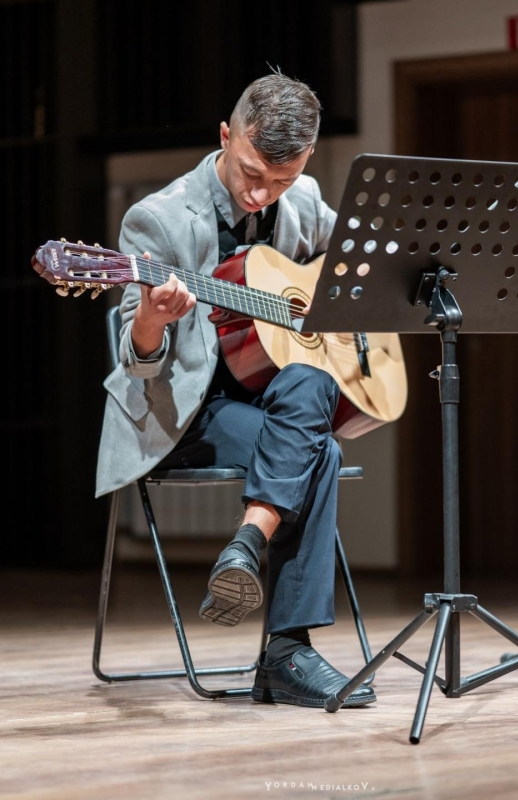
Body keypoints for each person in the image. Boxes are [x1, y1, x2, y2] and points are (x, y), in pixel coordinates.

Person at [95, 70, 375, 708]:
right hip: (181, 412)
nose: (260, 194)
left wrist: (340, 307)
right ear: (226, 136)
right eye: (251, 172)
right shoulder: (158, 218)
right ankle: (287, 653)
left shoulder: (303, 200)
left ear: (304, 162)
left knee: (309, 382)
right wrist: (151, 321)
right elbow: (137, 364)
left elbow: (360, 262)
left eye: (280, 180)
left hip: (265, 405)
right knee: (319, 450)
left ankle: (249, 543)